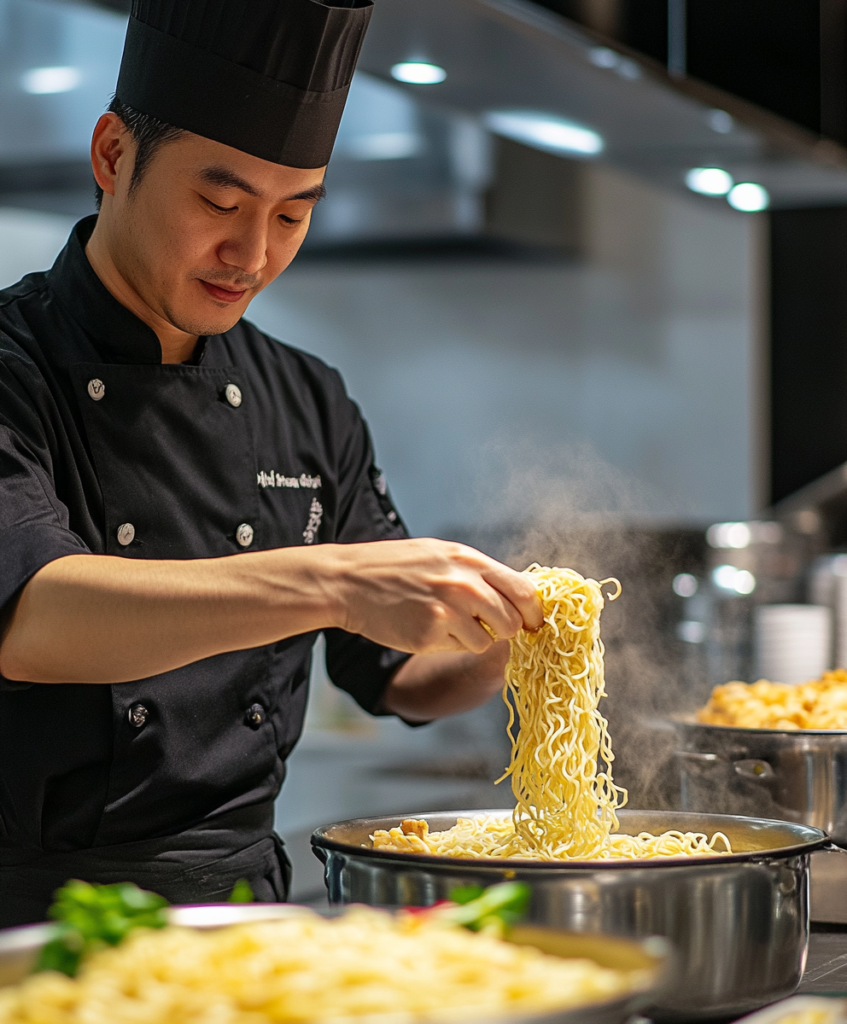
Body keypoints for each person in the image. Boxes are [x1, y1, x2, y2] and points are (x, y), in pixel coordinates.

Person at [0, 0, 542, 927]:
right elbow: (35, 618)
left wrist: (511, 635)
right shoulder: (15, 369)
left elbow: (395, 674)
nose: (252, 254)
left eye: (294, 214)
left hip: (246, 909)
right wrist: (333, 581)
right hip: (37, 923)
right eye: (221, 203)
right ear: (113, 156)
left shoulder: (306, 395)